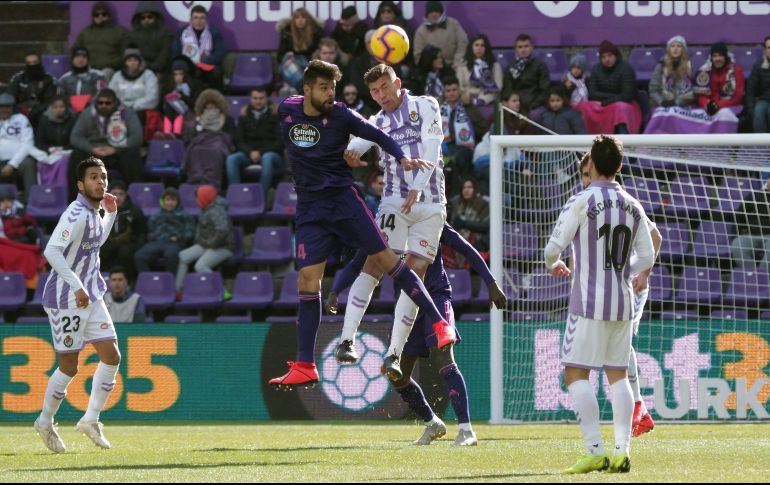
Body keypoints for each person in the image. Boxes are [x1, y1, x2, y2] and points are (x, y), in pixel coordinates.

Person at [267, 60, 451, 389]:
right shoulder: (286, 111)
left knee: (385, 260)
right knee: (307, 281)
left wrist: (402, 157)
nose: (330, 94)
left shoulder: (341, 114)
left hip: (343, 202)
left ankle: (439, 323)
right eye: (324, 88)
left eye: (333, 89)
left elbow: (377, 134)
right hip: (310, 208)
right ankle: (306, 364)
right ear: (306, 89)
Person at [326, 222, 507, 446]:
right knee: (398, 375)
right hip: (407, 305)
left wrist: (491, 283)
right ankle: (432, 423)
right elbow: (358, 263)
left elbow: (466, 249)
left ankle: (466, 430)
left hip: (436, 298)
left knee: (444, 358)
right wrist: (335, 290)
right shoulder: (387, 226)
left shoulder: (429, 219)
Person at [545, 136, 655, 474]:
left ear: (591, 163)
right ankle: (622, 452)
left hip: (588, 303)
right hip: (622, 302)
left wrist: (555, 264)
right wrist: (627, 272)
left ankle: (595, 449)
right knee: (618, 377)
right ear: (619, 166)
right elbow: (648, 255)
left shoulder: (581, 199)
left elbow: (553, 248)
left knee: (576, 373)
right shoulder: (634, 205)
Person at [337, 62, 452, 379]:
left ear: (397, 83)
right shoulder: (376, 121)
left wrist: (417, 188)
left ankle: (393, 355)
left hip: (430, 204)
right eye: (374, 92)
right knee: (376, 264)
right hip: (394, 203)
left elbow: (431, 148)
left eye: (384, 87)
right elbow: (357, 143)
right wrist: (350, 152)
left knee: (413, 275)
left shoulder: (425, 105)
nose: (380, 95)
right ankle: (347, 340)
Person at [34, 157, 120, 453]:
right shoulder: (75, 214)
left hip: (90, 295)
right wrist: (77, 286)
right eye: (94, 177)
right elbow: (51, 251)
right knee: (69, 366)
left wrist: (110, 215)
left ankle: (90, 419)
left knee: (111, 356)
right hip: (66, 299)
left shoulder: (93, 212)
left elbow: (95, 243)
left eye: (104, 176)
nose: (101, 182)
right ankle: (45, 421)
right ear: (80, 184)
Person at [576, 153, 661, 438]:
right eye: (584, 176)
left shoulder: (623, 202)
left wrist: (644, 274)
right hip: (604, 286)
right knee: (612, 346)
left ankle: (638, 408)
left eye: (591, 174)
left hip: (629, 284)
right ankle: (639, 409)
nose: (588, 180)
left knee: (618, 343)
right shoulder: (586, 205)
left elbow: (656, 236)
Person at [68, 89, 143, 195]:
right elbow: (75, 137)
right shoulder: (88, 113)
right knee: (76, 155)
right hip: (93, 152)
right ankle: (76, 198)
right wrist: (91, 149)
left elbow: (137, 137)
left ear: (115, 102)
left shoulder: (127, 113)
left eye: (108, 103)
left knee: (132, 154)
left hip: (118, 151)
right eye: (100, 103)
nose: (103, 105)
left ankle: (135, 195)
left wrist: (115, 149)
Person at [175, 185, 234, 294]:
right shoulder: (205, 208)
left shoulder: (217, 211)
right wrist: (201, 242)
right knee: (183, 256)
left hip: (223, 247)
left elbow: (223, 231)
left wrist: (210, 244)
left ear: (204, 198)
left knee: (200, 266)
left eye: (198, 198)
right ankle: (179, 290)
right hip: (206, 244)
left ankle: (223, 291)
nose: (196, 200)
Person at [574, 40, 641, 134]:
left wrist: (605, 102)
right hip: (602, 104)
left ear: (615, 55)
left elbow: (627, 95)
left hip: (624, 104)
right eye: (603, 57)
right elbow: (593, 93)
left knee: (619, 107)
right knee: (584, 106)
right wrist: (609, 99)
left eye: (609, 56)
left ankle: (624, 142)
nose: (607, 59)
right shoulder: (596, 69)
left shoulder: (626, 69)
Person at [226, 87, 284, 194]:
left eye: (261, 98)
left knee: (267, 157)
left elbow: (280, 142)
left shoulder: (276, 115)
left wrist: (260, 152)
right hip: (249, 154)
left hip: (272, 155)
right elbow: (239, 140)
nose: (258, 101)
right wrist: (250, 152)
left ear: (266, 99)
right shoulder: (244, 116)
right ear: (250, 99)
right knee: (232, 159)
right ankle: (236, 195)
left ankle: (261, 196)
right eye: (255, 98)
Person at [440, 77, 487, 193]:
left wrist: (469, 127)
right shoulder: (438, 109)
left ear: (459, 91)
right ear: (444, 93)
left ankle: (459, 192)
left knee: (458, 159)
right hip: (444, 148)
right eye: (448, 90)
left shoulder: (469, 109)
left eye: (454, 90)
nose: (451, 93)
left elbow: (482, 129)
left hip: (465, 149)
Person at [134, 187, 195, 275]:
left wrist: (179, 238)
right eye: (167, 200)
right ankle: (147, 280)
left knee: (171, 256)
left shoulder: (185, 216)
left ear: (177, 202)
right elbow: (150, 231)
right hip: (157, 242)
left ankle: (170, 283)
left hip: (175, 243)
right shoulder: (156, 216)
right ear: (163, 201)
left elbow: (190, 232)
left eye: (173, 200)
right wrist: (153, 236)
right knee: (139, 256)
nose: (170, 203)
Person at [183, 89, 235, 189]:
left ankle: (212, 181)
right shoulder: (198, 119)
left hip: (219, 142)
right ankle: (196, 179)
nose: (211, 106)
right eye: (208, 104)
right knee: (195, 150)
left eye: (213, 104)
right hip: (202, 142)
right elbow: (194, 136)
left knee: (215, 149)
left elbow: (230, 136)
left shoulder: (226, 119)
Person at [99, 180, 147, 281]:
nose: (117, 197)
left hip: (129, 243)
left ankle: (128, 281)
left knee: (124, 252)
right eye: (114, 194)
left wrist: (138, 244)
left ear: (126, 195)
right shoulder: (102, 211)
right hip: (109, 242)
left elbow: (142, 233)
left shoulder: (134, 211)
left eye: (121, 194)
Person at [171, 5, 225, 91]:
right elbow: (175, 53)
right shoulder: (181, 33)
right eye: (195, 18)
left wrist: (205, 60)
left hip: (206, 65)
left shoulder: (214, 33)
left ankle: (216, 98)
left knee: (217, 72)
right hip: (187, 66)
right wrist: (187, 63)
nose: (198, 21)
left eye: (202, 18)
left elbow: (219, 53)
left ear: (206, 20)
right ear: (191, 20)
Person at [693, 42, 745, 131]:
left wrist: (717, 105)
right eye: (715, 56)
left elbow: (737, 97)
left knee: (724, 114)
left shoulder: (736, 70)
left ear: (725, 56)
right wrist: (707, 104)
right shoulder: (704, 71)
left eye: (720, 56)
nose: (717, 59)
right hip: (708, 108)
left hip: (731, 107)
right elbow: (701, 95)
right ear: (711, 58)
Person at [72, 2, 128, 81]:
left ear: (108, 15)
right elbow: (74, 50)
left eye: (103, 14)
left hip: (110, 68)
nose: (100, 16)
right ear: (93, 17)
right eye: (97, 14)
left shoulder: (119, 32)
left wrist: (113, 64)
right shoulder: (85, 33)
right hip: (88, 68)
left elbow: (125, 53)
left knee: (105, 74)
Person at [0, 92, 38, 202]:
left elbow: (27, 144)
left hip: (18, 163)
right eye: (1, 107)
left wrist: (12, 164)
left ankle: (31, 203)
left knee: (29, 164)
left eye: (7, 107)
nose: (4, 110)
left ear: (12, 107)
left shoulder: (21, 119)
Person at [108, 47, 160, 125]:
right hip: (120, 108)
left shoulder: (148, 75)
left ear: (139, 62)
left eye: (135, 60)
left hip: (141, 110)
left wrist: (133, 106)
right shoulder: (118, 75)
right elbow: (111, 94)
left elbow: (153, 97)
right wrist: (121, 106)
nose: (132, 63)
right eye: (129, 60)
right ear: (125, 62)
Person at [276, 7, 323, 94]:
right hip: (292, 67)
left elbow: (318, 55)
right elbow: (280, 57)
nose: (300, 20)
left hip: (308, 66)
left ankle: (296, 87)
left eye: (303, 17)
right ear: (293, 20)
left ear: (308, 19)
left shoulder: (316, 33)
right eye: (297, 18)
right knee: (288, 59)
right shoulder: (287, 33)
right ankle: (299, 86)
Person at [501, 34, 550, 113]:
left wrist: (533, 105)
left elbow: (544, 90)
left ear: (531, 47)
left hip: (534, 106)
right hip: (514, 104)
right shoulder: (510, 67)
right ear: (516, 49)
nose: (523, 50)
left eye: (526, 46)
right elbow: (507, 88)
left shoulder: (540, 66)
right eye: (520, 47)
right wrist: (511, 102)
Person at [35, 96, 76, 187]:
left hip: (67, 152)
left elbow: (74, 140)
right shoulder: (44, 121)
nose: (59, 110)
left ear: (66, 107)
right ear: (51, 108)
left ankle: (62, 191)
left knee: (64, 162)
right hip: (49, 152)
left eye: (61, 106)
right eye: (55, 107)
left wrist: (62, 149)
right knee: (41, 163)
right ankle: (47, 191)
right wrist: (49, 149)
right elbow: (39, 141)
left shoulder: (72, 120)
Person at [730, 177, 770, 270]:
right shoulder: (754, 196)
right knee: (737, 245)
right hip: (752, 234)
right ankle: (752, 274)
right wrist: (737, 233)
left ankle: (763, 277)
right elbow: (739, 215)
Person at [414, 1, 468, 69]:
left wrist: (458, 60)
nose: (434, 14)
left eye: (436, 11)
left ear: (441, 13)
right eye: (431, 12)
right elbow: (418, 55)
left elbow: (463, 43)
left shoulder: (453, 24)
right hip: (431, 68)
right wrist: (431, 65)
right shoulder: (420, 32)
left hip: (454, 65)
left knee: (462, 69)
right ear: (427, 14)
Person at [8, 51, 57, 127]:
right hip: (20, 112)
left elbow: (50, 101)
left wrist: (34, 111)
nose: (32, 65)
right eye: (29, 63)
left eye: (35, 62)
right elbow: (10, 97)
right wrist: (20, 109)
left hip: (41, 113)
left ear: (40, 62)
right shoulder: (18, 78)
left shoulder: (48, 79)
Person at [448, 177, 489, 263]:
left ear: (475, 189)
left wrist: (465, 224)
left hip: (478, 244)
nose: (466, 190)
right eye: (464, 188)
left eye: (469, 187)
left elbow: (486, 227)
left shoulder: (484, 205)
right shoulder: (455, 204)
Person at [57, 46, 107, 113]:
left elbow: (101, 94)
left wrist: (86, 105)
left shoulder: (98, 76)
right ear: (72, 59)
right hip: (69, 112)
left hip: (91, 110)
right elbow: (61, 98)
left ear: (88, 60)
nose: (80, 60)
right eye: (77, 57)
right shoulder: (64, 79)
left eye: (84, 57)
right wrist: (72, 106)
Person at [127, 1, 173, 75]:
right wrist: (142, 67)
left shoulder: (165, 33)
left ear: (155, 17)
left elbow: (164, 54)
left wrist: (153, 68)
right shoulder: (132, 35)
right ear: (139, 19)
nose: (146, 20)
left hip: (160, 70)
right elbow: (131, 54)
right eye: (143, 18)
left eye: (150, 17)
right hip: (139, 69)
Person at [160, 57, 202, 138]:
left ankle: (176, 134)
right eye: (175, 74)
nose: (178, 77)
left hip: (188, 113)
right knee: (169, 106)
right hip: (170, 114)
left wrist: (182, 96)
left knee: (177, 109)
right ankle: (167, 133)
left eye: (181, 74)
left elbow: (195, 104)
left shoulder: (193, 86)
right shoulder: (169, 86)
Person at [457, 34, 502, 107]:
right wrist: (470, 95)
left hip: (487, 98)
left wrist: (482, 99)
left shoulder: (495, 65)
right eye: (476, 45)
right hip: (467, 98)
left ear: (486, 48)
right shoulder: (462, 65)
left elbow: (498, 87)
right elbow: (459, 86)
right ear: (471, 47)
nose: (479, 48)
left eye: (482, 45)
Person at [747, 36, 770, 133]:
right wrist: (751, 110)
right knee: (758, 111)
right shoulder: (758, 66)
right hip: (764, 100)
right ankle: (762, 147)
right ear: (765, 50)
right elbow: (750, 91)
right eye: (769, 48)